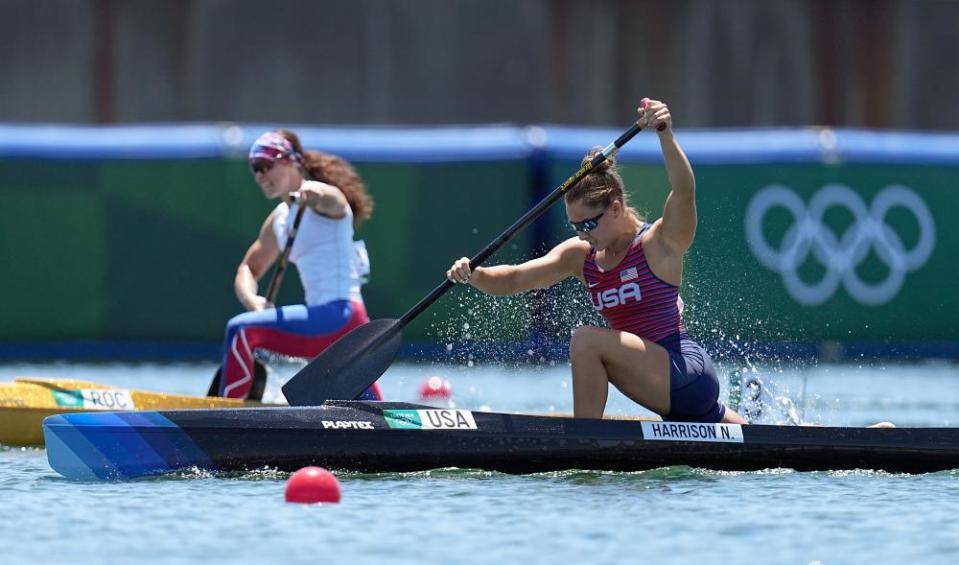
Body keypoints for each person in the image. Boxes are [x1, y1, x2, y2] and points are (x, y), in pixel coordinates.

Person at [446, 98, 746, 424]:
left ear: (615, 208)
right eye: (575, 226)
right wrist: (473, 273)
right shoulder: (581, 256)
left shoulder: (659, 243)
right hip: (666, 387)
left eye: (589, 224)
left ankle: (584, 439)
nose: (582, 234)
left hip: (686, 372)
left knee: (586, 340)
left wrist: (664, 133)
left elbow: (684, 189)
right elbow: (514, 280)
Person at [218, 129, 382, 401]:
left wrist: (310, 192)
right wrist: (252, 300)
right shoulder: (280, 219)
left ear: (290, 161)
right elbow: (248, 269)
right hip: (331, 326)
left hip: (339, 317)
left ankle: (223, 416)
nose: (259, 176)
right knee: (373, 414)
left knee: (241, 330)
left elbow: (330, 199)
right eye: (254, 169)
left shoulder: (326, 199)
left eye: (264, 166)